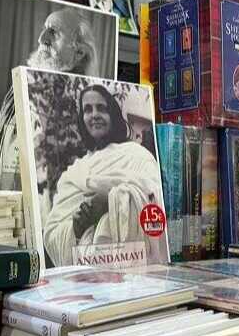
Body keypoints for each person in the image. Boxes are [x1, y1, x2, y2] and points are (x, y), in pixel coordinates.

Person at [44, 84, 168, 267]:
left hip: (131, 270)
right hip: (86, 273)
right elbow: (52, 234)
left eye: (101, 108)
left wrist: (109, 201)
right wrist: (76, 226)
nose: (94, 115)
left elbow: (157, 202)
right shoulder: (74, 173)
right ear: (82, 118)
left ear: (113, 115)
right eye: (88, 109)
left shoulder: (136, 155)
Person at [0, 8, 99, 189]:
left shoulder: (86, 107)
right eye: (45, 29)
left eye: (54, 32)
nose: (41, 39)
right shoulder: (20, 88)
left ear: (79, 53)